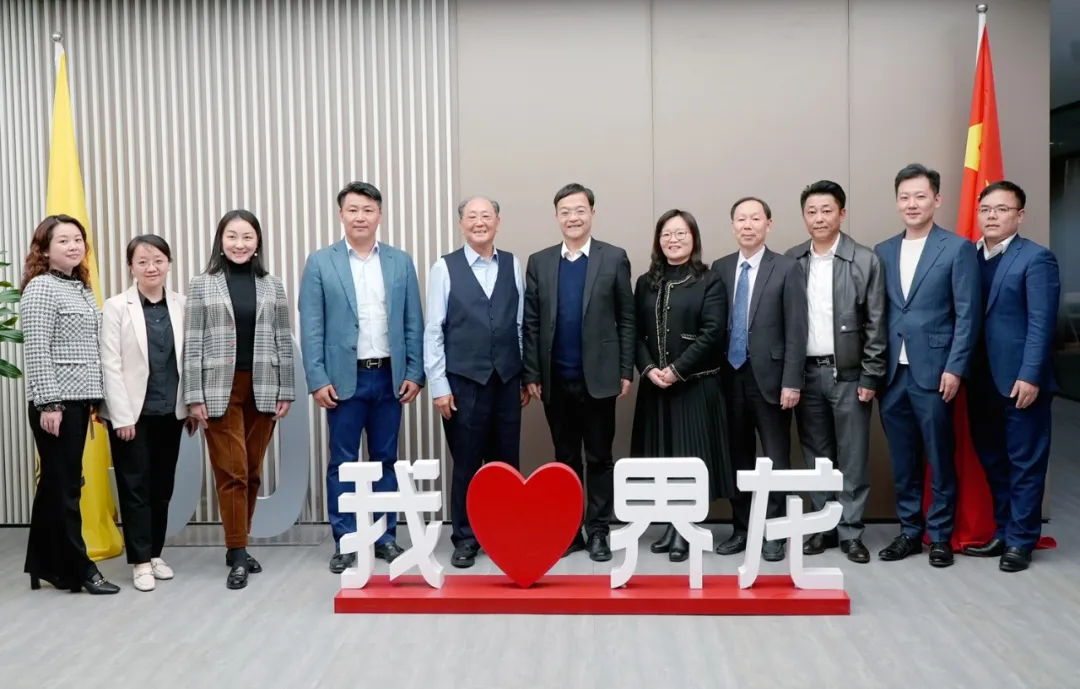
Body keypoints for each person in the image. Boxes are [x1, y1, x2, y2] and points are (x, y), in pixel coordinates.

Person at [299, 182, 425, 574]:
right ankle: (346, 539)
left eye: (368, 210)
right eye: (353, 210)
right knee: (343, 461)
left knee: (386, 459)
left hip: (389, 376)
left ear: (379, 215)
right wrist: (317, 378)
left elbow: (413, 321)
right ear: (341, 214)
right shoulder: (321, 262)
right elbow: (312, 326)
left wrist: (415, 371)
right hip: (343, 378)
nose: (360, 217)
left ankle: (385, 537)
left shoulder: (400, 262)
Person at [873, 163, 980, 568]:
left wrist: (955, 368)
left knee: (939, 455)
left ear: (937, 199)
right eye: (904, 197)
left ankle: (940, 536)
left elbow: (967, 314)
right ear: (897, 202)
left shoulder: (956, 248)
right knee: (903, 459)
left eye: (920, 196)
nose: (912, 204)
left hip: (935, 372)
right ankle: (909, 532)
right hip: (892, 374)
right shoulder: (883, 250)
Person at [523, 183, 635, 562]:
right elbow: (531, 322)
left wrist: (625, 369)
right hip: (556, 379)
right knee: (565, 458)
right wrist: (532, 373)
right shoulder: (540, 262)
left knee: (600, 457)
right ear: (557, 217)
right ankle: (570, 530)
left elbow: (626, 318)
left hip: (600, 379)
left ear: (592, 213)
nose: (573, 217)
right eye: (565, 212)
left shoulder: (613, 257)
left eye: (580, 210)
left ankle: (599, 530)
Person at [184, 209, 295, 590]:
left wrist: (286, 390)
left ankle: (239, 544)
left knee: (251, 471)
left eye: (247, 237)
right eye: (232, 236)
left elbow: (283, 339)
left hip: (263, 387)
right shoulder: (202, 285)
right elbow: (192, 343)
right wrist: (193, 396)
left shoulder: (272, 285)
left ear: (257, 242)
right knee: (232, 471)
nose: (239, 244)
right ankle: (237, 551)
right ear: (221, 240)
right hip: (219, 389)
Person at [785, 181, 886, 564]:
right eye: (811, 212)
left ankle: (851, 532)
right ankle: (822, 527)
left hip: (849, 375)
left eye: (826, 210)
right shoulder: (793, 260)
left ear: (842, 213)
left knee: (853, 455)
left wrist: (870, 375)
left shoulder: (864, 260)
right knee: (817, 455)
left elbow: (876, 323)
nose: (819, 218)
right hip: (807, 374)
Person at [424, 196, 527, 569]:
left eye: (486, 215)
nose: (479, 222)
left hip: (507, 381)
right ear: (461, 224)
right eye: (472, 216)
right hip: (463, 382)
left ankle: (504, 533)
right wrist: (439, 385)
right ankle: (466, 537)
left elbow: (518, 324)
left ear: (498, 221)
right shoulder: (444, 267)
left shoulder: (513, 264)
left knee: (506, 462)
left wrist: (522, 375)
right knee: (467, 463)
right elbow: (434, 330)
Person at [962, 181, 1059, 572]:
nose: (992, 216)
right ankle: (1004, 530)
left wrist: (1031, 375)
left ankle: (1021, 540)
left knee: (1025, 463)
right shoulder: (968, 256)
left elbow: (1042, 323)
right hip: (979, 379)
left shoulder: (1036, 258)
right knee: (993, 460)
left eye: (1002, 209)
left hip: (1020, 381)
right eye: (986, 209)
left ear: (1019, 215)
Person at [20, 214, 119, 595]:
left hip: (79, 401)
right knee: (65, 490)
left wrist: (95, 398)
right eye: (63, 240)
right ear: (44, 250)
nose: (74, 246)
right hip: (56, 404)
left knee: (55, 486)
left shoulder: (80, 287)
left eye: (78, 239)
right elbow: (38, 350)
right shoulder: (41, 288)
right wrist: (49, 403)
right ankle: (81, 569)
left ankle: (43, 565)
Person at [631, 209, 734, 562]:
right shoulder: (645, 282)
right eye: (666, 234)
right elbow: (635, 333)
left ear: (694, 238)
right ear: (658, 240)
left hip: (694, 386)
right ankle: (671, 524)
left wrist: (676, 370)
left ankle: (686, 527)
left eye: (680, 234)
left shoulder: (709, 280)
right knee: (663, 457)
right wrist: (648, 369)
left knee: (690, 457)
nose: (673, 240)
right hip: (655, 387)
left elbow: (712, 333)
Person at [713, 197, 807, 563]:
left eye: (755, 218)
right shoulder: (721, 268)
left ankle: (775, 531)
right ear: (732, 226)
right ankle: (742, 528)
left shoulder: (785, 268)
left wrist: (792, 381)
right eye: (741, 219)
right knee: (737, 456)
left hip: (771, 379)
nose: (747, 225)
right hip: (729, 378)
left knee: (776, 457)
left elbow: (797, 329)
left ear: (769, 223)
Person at [100, 235, 196, 591]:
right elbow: (110, 364)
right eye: (142, 261)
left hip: (170, 411)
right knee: (134, 487)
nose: (151, 267)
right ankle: (139, 561)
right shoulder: (116, 307)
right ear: (131, 267)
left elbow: (190, 360)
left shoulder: (183, 304)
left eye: (158, 260)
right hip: (132, 416)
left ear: (168, 263)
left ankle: (155, 553)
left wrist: (191, 406)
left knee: (162, 487)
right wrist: (121, 416)